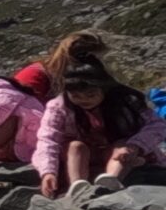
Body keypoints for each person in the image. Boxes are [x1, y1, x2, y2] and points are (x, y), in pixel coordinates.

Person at [34, 33, 166, 199]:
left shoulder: (127, 102)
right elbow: (47, 139)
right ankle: (78, 186)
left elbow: (158, 125)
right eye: (76, 96)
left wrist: (136, 146)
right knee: (75, 146)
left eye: (91, 95)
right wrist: (47, 172)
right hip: (81, 159)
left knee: (121, 145)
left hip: (119, 156)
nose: (84, 101)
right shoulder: (58, 107)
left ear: (104, 89)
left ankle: (110, 182)